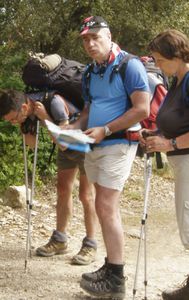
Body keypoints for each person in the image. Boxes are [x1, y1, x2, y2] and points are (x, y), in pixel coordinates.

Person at [64, 16, 150, 299]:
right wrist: (71, 128)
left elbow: (142, 109)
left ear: (109, 36)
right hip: (96, 145)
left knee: (105, 205)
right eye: (86, 40)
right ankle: (112, 267)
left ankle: (116, 279)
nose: (90, 44)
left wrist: (107, 128)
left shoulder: (129, 65)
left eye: (95, 38)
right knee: (103, 207)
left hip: (119, 142)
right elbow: (89, 109)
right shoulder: (90, 72)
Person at [0, 89, 97, 265]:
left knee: (85, 195)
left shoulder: (54, 103)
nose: (13, 122)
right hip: (65, 149)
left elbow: (62, 139)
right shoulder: (28, 112)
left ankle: (90, 244)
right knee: (62, 189)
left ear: (23, 106)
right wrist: (24, 126)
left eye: (14, 118)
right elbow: (32, 145)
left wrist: (45, 117)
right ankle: (60, 239)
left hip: (83, 143)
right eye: (10, 121)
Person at [139, 29, 189, 300]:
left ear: (177, 55)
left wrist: (170, 144)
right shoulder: (177, 82)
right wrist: (156, 136)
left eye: (159, 60)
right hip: (182, 161)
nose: (157, 66)